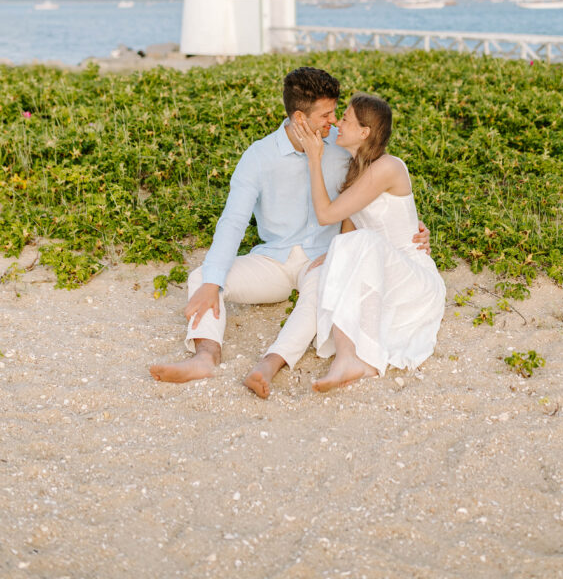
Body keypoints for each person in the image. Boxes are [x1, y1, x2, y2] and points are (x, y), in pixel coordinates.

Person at [149, 67, 430, 385]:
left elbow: (379, 195)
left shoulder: (343, 147)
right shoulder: (258, 157)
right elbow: (233, 222)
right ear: (300, 118)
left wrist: (411, 231)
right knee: (202, 277)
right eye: (326, 114)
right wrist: (212, 284)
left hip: (324, 257)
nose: (333, 121)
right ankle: (204, 357)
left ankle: (269, 365)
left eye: (336, 113)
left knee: (320, 291)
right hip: (274, 260)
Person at [288, 92, 446, 392]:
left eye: (345, 119)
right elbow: (347, 234)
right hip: (384, 267)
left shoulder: (389, 167)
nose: (337, 123)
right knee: (321, 266)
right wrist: (328, 258)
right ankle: (292, 355)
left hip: (414, 278)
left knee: (361, 242)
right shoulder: (357, 172)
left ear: (364, 132)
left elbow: (325, 215)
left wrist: (314, 158)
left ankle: (352, 359)